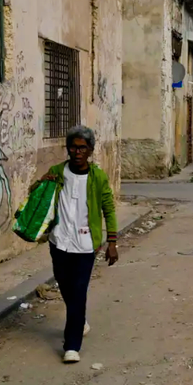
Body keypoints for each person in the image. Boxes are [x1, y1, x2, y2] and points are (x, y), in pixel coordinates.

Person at [32, 126, 118, 364]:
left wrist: (112, 241)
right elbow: (36, 198)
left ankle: (71, 345)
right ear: (68, 148)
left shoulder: (98, 177)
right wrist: (42, 183)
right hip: (59, 241)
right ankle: (80, 321)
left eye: (82, 147)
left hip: (85, 244)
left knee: (79, 291)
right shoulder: (58, 172)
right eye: (73, 147)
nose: (77, 151)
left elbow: (108, 209)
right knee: (65, 286)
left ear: (90, 150)